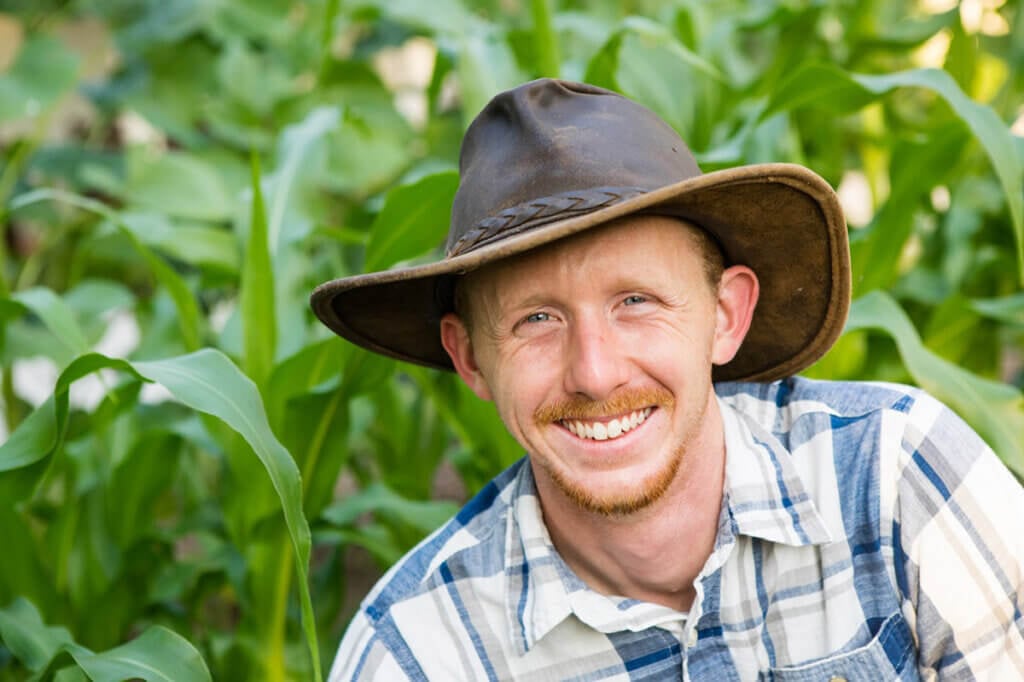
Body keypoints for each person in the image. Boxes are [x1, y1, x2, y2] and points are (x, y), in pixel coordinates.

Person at [311, 79, 1024, 680]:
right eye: (536, 320)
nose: (594, 373)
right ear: (471, 360)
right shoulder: (420, 654)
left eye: (636, 302)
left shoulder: (900, 483)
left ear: (724, 315)